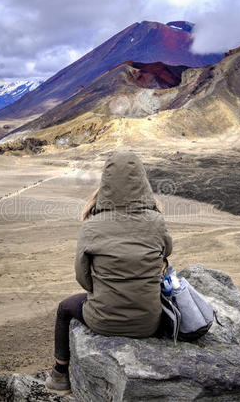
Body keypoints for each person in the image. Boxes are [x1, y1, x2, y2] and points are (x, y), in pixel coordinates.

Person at [45, 151, 173, 391]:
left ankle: (60, 375)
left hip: (102, 320)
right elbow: (168, 250)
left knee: (65, 308)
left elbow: (82, 278)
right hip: (149, 323)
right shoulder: (156, 221)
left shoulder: (92, 226)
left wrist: (103, 290)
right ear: (142, 183)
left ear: (105, 184)